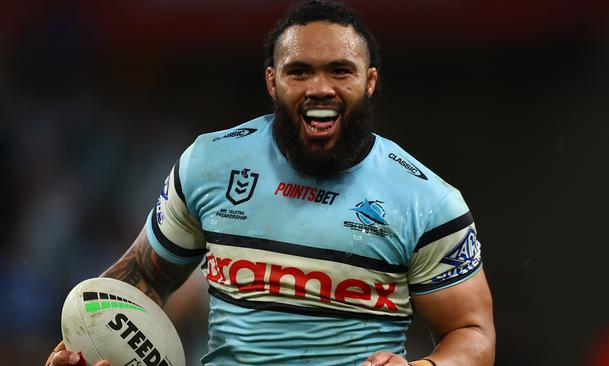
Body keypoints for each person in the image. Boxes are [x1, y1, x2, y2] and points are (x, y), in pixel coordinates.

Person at [46, 1, 495, 365]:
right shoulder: (209, 164)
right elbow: (142, 276)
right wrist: (87, 343)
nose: (320, 87)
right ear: (272, 82)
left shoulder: (428, 202)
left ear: (370, 81)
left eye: (340, 70)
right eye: (299, 71)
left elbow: (472, 334)